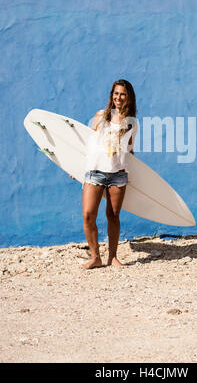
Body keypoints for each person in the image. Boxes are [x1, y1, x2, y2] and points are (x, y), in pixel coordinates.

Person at [82, 79, 137, 269]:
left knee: (113, 216)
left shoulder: (132, 123)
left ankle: (112, 257)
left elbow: (130, 151)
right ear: (111, 95)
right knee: (88, 214)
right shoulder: (101, 116)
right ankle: (95, 256)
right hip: (95, 171)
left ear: (128, 96)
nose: (118, 97)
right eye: (115, 93)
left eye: (122, 94)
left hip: (118, 175)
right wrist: (76, 167)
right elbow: (88, 144)